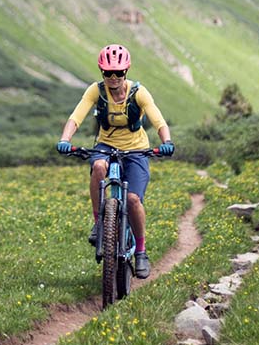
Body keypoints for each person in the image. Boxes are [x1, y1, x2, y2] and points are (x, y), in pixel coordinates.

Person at [56, 43, 173, 279]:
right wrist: (65, 139)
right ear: (102, 72)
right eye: (108, 73)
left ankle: (140, 251)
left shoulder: (138, 93)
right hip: (106, 146)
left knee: (132, 200)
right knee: (98, 166)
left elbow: (158, 120)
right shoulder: (96, 91)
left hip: (136, 150)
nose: (113, 78)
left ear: (126, 72)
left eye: (118, 73)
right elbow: (76, 117)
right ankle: (99, 223)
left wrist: (167, 141)